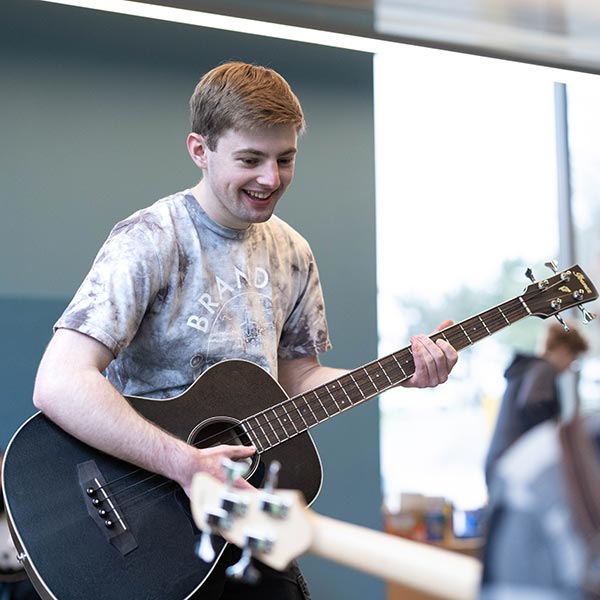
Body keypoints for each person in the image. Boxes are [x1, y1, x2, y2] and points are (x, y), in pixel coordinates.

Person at [31, 61, 458, 599]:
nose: (270, 179)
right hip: (142, 519)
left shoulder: (293, 253)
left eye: (285, 159)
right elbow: (58, 382)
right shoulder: (150, 239)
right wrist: (184, 463)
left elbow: (298, 379)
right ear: (199, 150)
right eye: (250, 160)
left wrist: (402, 375)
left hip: (245, 518)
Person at [484, 321, 589, 486]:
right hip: (512, 467)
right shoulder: (544, 368)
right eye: (573, 359)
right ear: (563, 349)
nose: (570, 367)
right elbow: (533, 404)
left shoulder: (527, 369)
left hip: (499, 465)